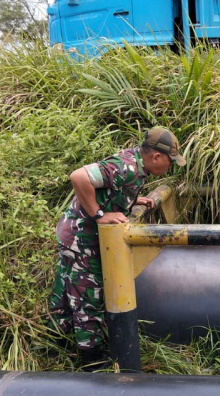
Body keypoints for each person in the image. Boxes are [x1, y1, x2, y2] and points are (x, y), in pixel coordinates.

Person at [49, 126, 186, 371]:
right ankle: (93, 362)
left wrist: (132, 200)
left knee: (66, 288)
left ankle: (54, 344)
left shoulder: (135, 161)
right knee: (88, 299)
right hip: (82, 240)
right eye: (170, 161)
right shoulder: (127, 167)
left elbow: (110, 187)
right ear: (155, 156)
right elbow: (78, 177)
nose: (170, 166)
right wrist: (99, 214)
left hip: (72, 234)